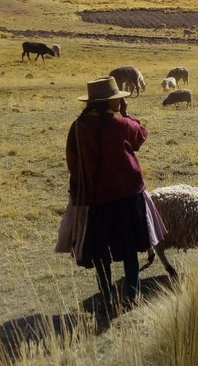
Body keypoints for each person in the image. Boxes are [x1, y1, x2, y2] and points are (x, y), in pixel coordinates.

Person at [64, 76, 165, 311]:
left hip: (93, 201)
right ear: (109, 103)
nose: (120, 103)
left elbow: (72, 160)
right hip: (126, 198)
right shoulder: (121, 125)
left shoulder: (78, 127)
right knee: (129, 247)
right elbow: (141, 135)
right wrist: (127, 115)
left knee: (100, 252)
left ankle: (107, 295)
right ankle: (132, 294)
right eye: (117, 100)